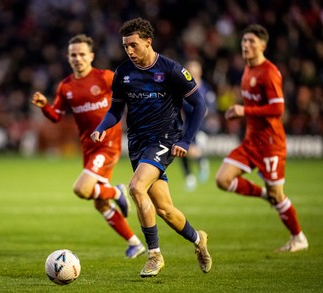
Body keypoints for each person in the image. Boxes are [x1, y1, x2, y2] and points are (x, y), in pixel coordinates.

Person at [91, 18, 212, 277]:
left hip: (165, 139)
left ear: (148, 41)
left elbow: (200, 105)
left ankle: (154, 255)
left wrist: (185, 140)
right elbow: (115, 110)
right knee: (165, 210)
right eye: (126, 47)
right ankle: (198, 239)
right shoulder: (123, 73)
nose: (130, 51)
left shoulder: (171, 70)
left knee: (136, 187)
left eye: (134, 45)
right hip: (137, 143)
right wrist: (102, 126)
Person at [31, 34, 146, 258]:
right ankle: (134, 243)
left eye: (82, 54)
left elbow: (131, 94)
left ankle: (117, 191)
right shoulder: (65, 87)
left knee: (81, 189)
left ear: (91, 56)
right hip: (88, 148)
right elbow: (56, 116)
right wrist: (45, 106)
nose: (78, 58)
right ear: (68, 57)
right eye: (73, 54)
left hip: (108, 145)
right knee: (100, 204)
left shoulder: (104, 77)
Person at [215, 24, 309, 253]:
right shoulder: (247, 71)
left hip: (270, 144)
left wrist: (243, 111)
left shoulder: (269, 72)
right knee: (223, 179)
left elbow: (278, 110)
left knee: (279, 195)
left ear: (263, 46)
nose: (246, 45)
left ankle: (298, 237)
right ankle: (265, 194)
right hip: (251, 142)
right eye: (244, 41)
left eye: (251, 42)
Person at [179, 60, 216, 191]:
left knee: (188, 150)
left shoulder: (205, 89)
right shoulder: (183, 89)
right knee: (180, 151)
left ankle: (200, 161)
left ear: (199, 72)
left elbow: (211, 107)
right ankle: (190, 176)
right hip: (186, 125)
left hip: (200, 126)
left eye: (194, 70)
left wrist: (201, 112)